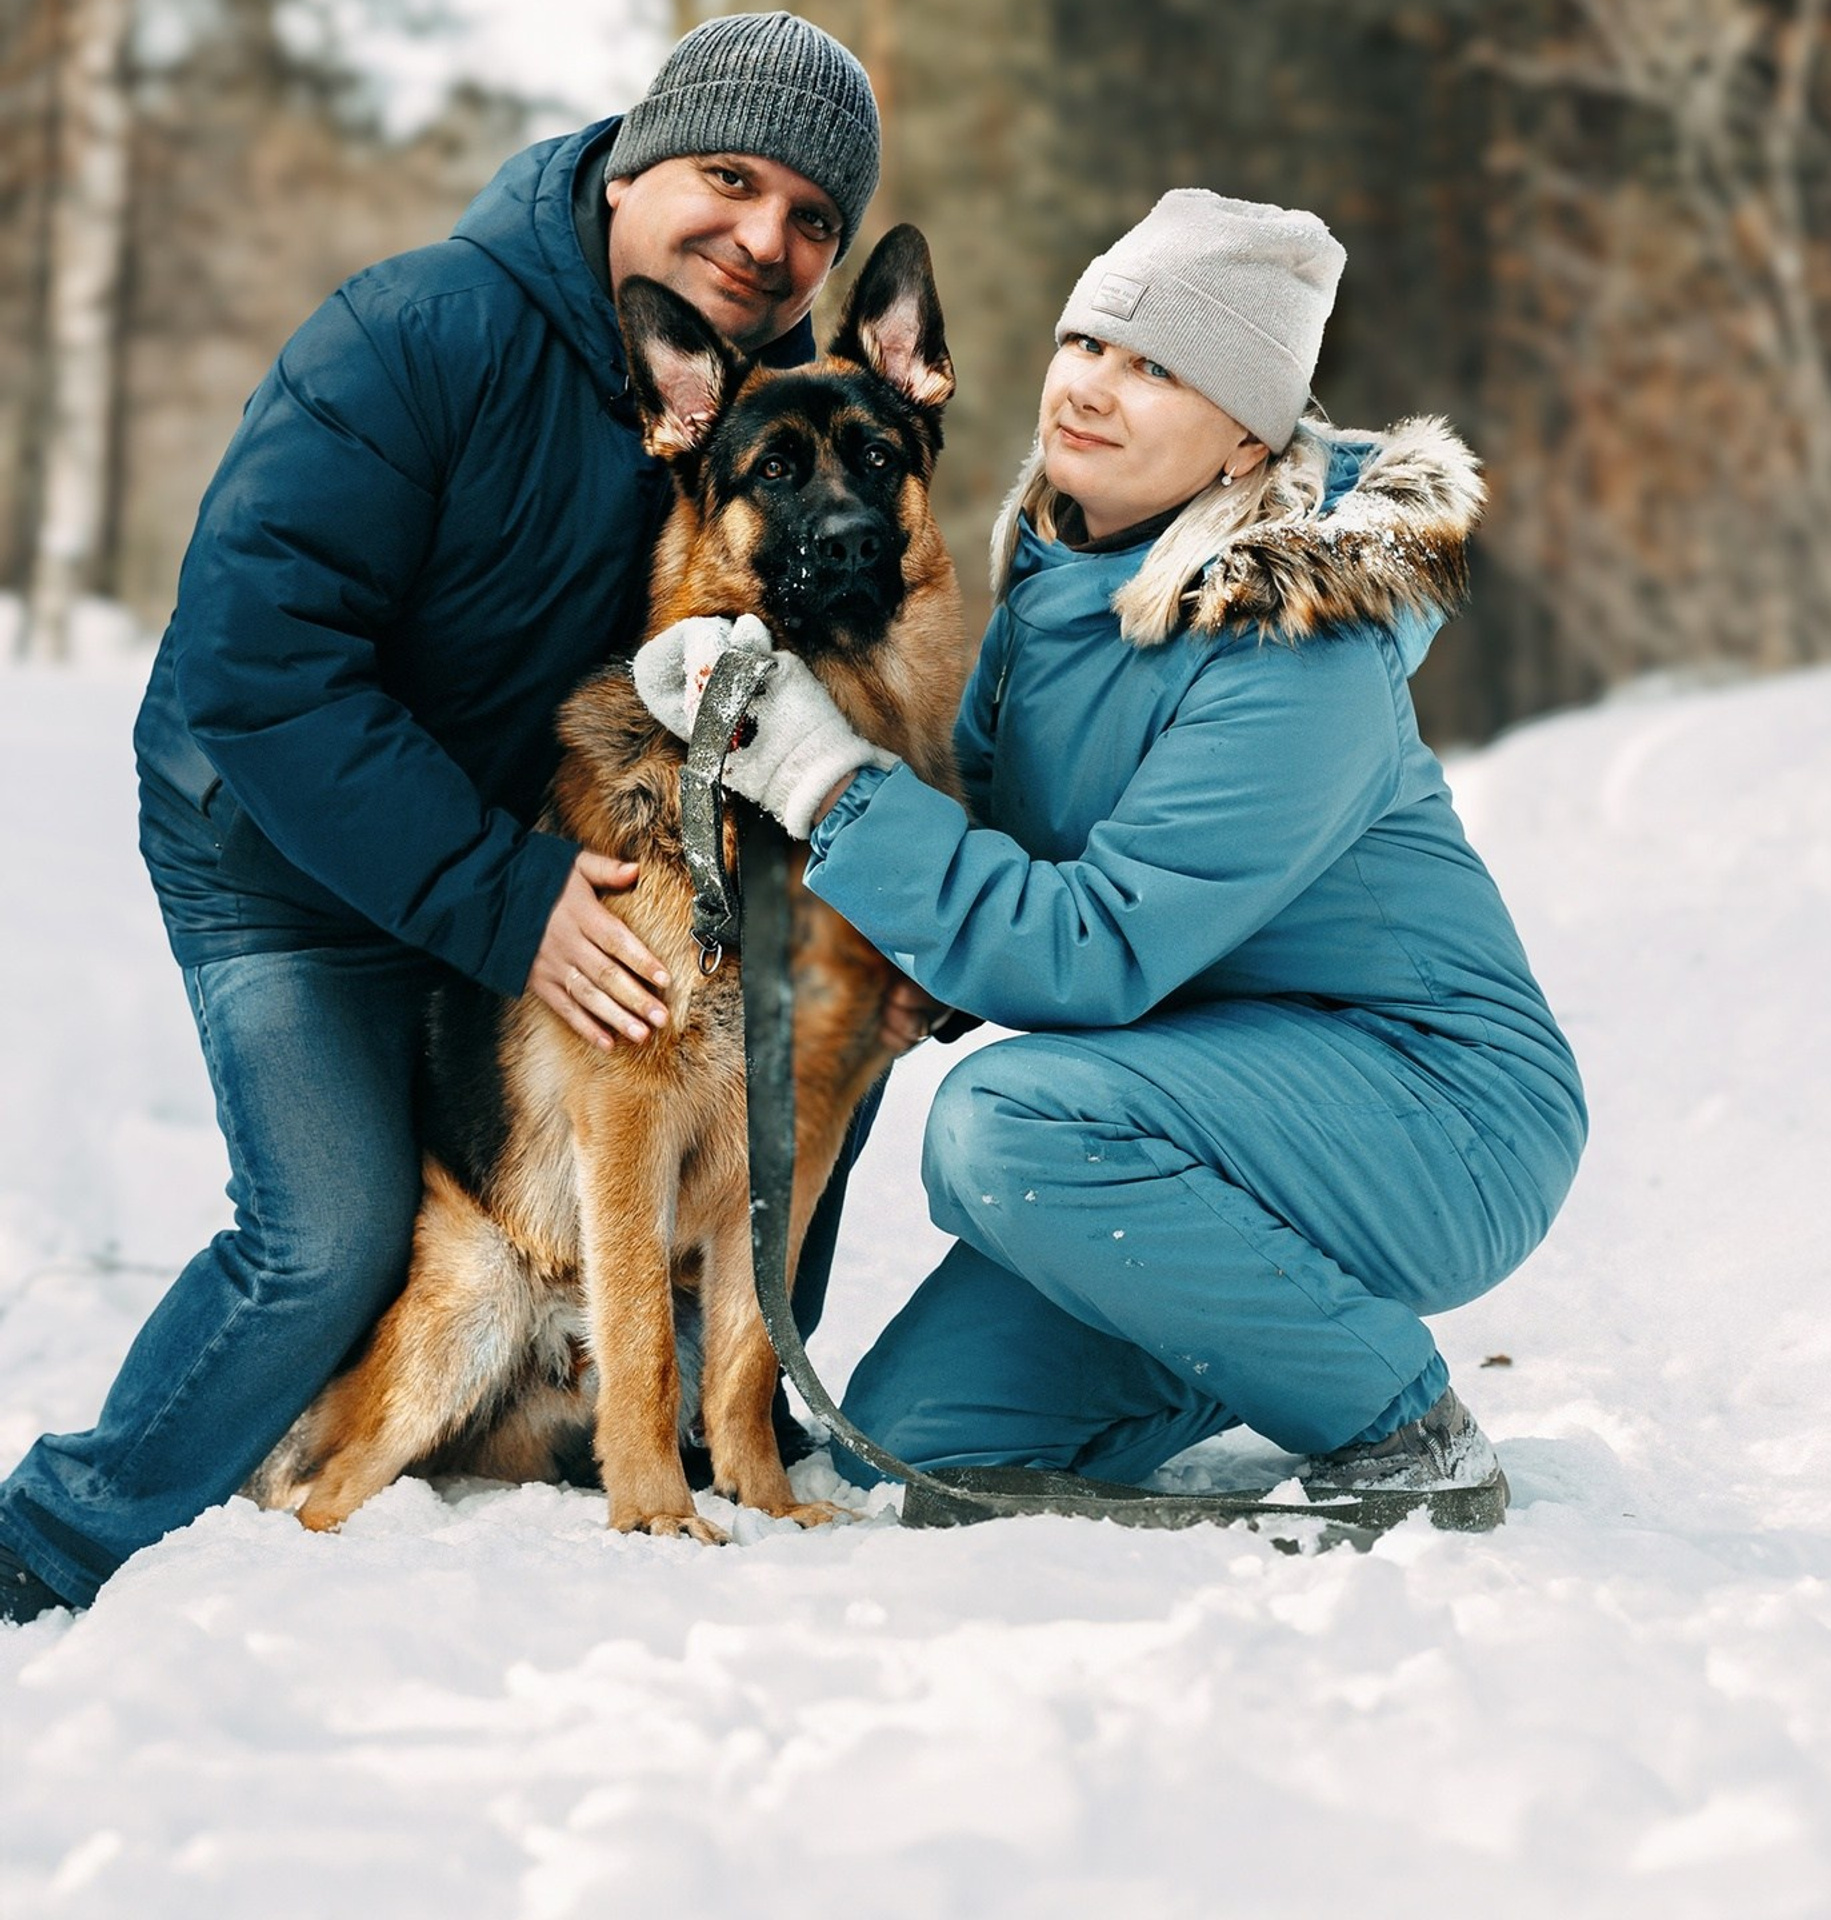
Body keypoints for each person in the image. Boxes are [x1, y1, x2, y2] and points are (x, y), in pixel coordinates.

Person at [0, 12, 905, 1626]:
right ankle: (53, 1543)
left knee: (783, 1072)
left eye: (812, 218)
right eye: (728, 178)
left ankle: (623, 1436)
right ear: (633, 163)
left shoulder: (754, 402)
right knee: (333, 1237)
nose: (768, 237)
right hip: (282, 853)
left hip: (528, 849)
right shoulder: (420, 330)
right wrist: (505, 899)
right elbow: (251, 664)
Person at [633, 190, 1588, 1520]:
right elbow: (996, 843)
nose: (1092, 388)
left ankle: (1399, 1427)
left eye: (1159, 370)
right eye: (1090, 343)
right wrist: (922, 975)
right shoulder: (1055, 564)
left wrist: (816, 773)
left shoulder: (1297, 649)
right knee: (911, 1447)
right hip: (1195, 1105)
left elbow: (1094, 947)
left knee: (1002, 1127)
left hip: (1432, 1112)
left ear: (1246, 438)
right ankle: (1260, 1313)